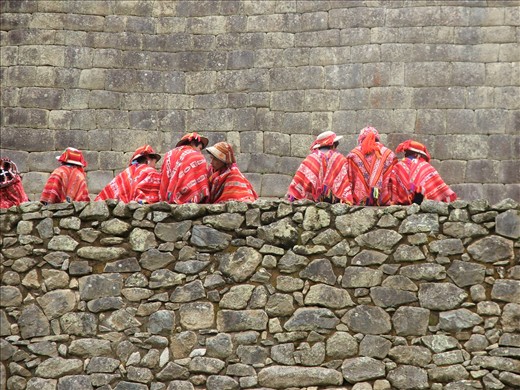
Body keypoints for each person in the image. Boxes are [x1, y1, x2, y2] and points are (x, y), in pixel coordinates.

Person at [287, 130, 352, 203]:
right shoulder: (340, 159)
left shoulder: (310, 159)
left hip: (311, 202)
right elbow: (346, 181)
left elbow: (299, 180)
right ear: (332, 145)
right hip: (335, 201)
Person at [390, 139, 457, 205]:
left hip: (403, 203)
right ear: (417, 154)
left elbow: (392, 185)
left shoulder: (398, 166)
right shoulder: (425, 166)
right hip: (421, 202)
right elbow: (437, 184)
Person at [345, 126, 396, 206]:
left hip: (360, 201)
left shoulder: (354, 154)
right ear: (377, 138)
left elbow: (348, 177)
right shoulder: (389, 154)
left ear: (361, 138)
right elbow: (394, 178)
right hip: (382, 200)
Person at [95, 145, 161, 204]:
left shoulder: (125, 173)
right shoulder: (151, 173)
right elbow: (153, 199)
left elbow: (105, 196)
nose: (155, 165)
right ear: (148, 160)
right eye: (155, 162)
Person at [159, 132, 210, 204]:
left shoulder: (168, 154)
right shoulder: (196, 156)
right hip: (187, 201)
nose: (200, 152)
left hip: (167, 200)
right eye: (200, 148)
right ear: (192, 143)